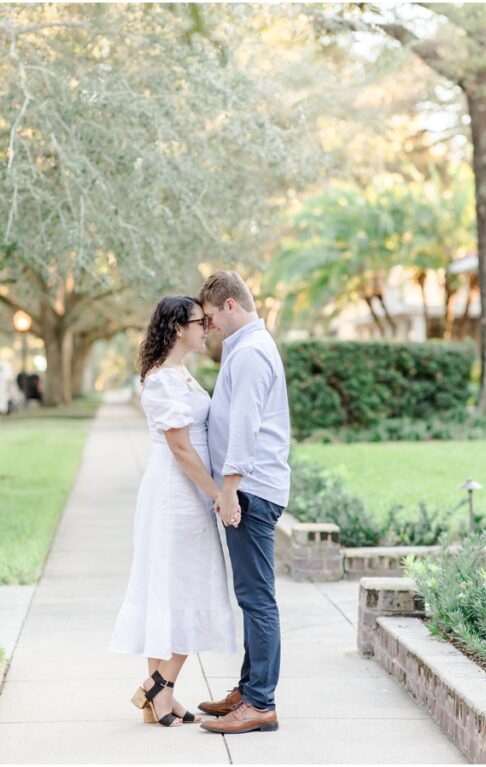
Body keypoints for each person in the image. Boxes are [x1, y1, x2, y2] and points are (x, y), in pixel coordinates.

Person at [109, 296, 236, 727]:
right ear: (179, 328)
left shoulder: (181, 374)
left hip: (188, 491)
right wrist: (218, 494)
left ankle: (159, 697)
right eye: (202, 322)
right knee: (182, 588)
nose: (209, 327)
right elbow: (180, 447)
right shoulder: (162, 380)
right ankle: (158, 687)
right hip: (176, 495)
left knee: (178, 587)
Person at [196, 271, 291, 735]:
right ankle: (248, 689)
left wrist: (229, 488)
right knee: (251, 596)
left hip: (250, 491)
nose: (208, 326)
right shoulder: (244, 348)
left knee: (257, 599)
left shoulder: (251, 353)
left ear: (230, 305)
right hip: (248, 488)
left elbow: (246, 426)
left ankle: (260, 702)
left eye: (211, 316)